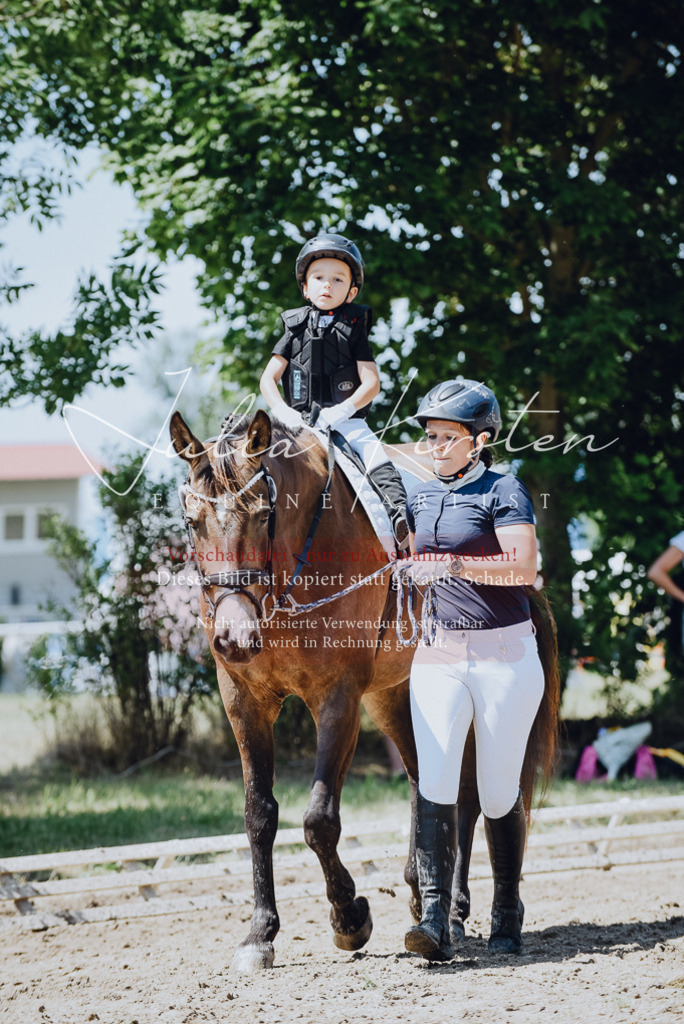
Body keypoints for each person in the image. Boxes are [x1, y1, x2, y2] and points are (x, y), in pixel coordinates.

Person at [397, 378, 544, 961]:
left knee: (497, 791)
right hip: (438, 655)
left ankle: (506, 905)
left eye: (446, 437)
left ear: (479, 440)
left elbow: (524, 569)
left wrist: (451, 565)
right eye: (429, 436)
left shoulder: (504, 489)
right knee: (433, 783)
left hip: (506, 658)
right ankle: (434, 920)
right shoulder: (420, 495)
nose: (433, 446)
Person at [259, 232, 408, 545]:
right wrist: (283, 412)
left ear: (352, 292)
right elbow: (267, 380)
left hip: (347, 420)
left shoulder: (354, 329)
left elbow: (371, 383)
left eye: (338, 280)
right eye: (319, 277)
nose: (327, 285)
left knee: (373, 453)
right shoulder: (293, 329)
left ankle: (400, 516)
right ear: (305, 287)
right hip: (296, 422)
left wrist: (342, 411)